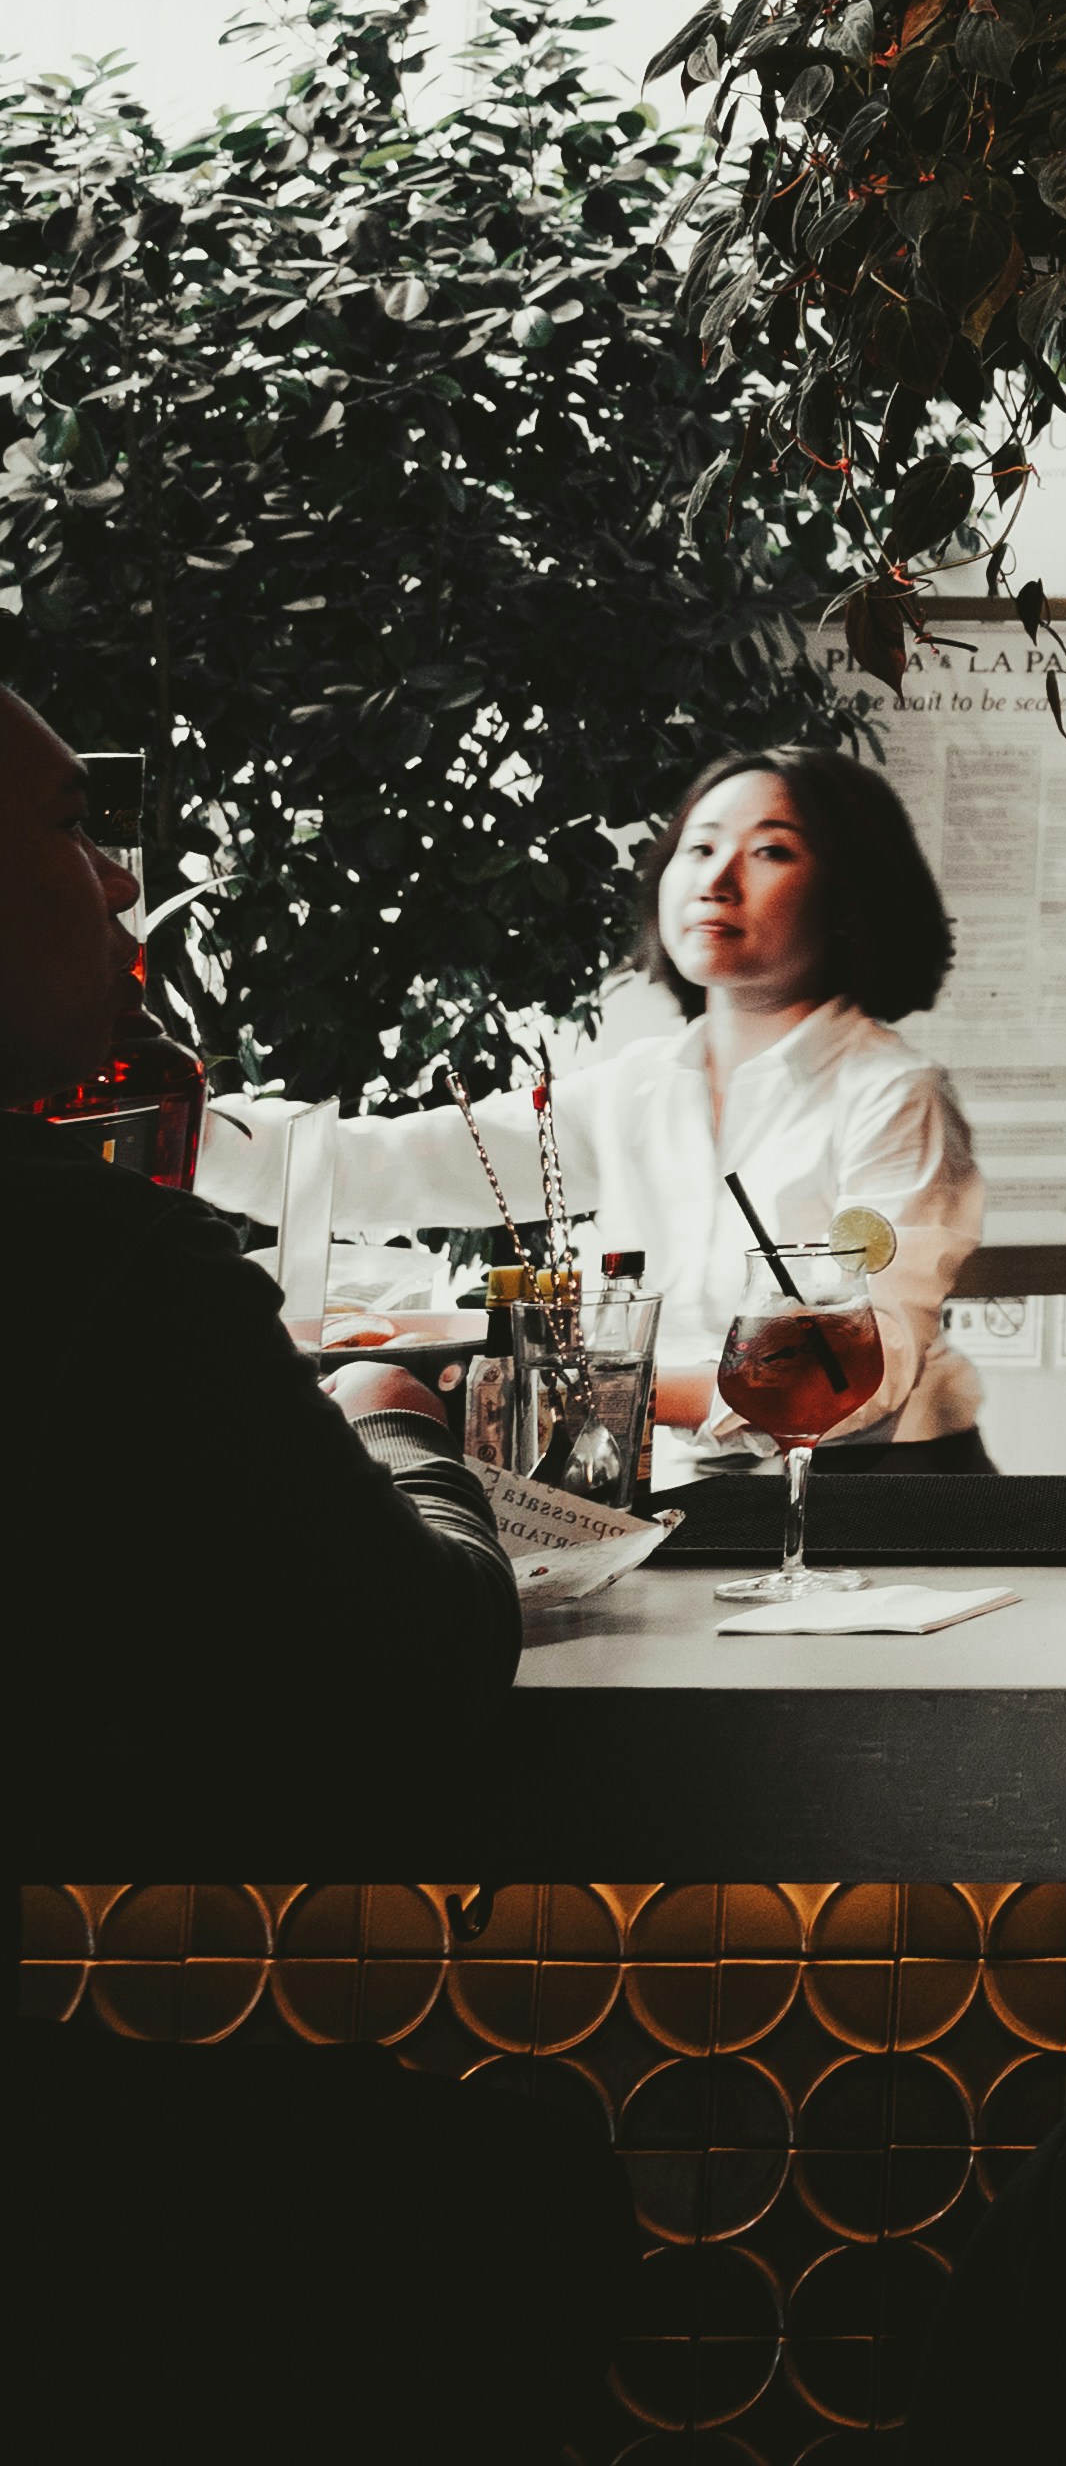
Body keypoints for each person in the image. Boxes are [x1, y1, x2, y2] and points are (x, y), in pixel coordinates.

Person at [5, 687, 628, 2428]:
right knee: (497, 2190)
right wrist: (387, 1413)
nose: (120, 876)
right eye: (67, 826)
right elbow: (411, 1670)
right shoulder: (102, 1275)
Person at [217, 742, 997, 1467]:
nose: (716, 878)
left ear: (848, 898)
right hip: (687, 1485)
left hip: (886, 1486)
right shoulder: (636, 1085)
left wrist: (593, 1392)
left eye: (771, 850)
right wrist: (193, 1136)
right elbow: (396, 1165)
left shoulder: (894, 1096)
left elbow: (871, 1361)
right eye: (699, 846)